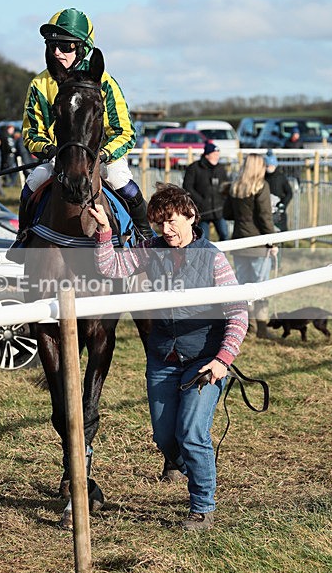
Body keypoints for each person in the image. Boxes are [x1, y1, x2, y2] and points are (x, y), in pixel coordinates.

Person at [88, 184, 248, 531]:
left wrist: (223, 359)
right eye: (160, 223)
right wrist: (104, 230)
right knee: (165, 438)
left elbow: (238, 311)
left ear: (190, 216)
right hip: (162, 358)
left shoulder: (213, 258)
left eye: (171, 221)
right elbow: (111, 267)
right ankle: (198, 465)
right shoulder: (151, 249)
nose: (166, 230)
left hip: (204, 362)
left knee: (191, 433)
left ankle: (202, 508)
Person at [11, 7, 152, 248]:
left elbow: (125, 132)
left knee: (125, 185)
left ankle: (147, 238)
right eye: (52, 46)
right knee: (32, 185)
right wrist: (51, 151)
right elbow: (31, 133)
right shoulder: (39, 84)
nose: (57, 52)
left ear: (82, 48)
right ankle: (23, 239)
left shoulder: (105, 82)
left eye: (66, 46)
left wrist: (104, 154)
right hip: (59, 156)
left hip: (102, 156)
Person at [223, 153, 277, 338]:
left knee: (243, 286)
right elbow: (265, 217)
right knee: (261, 286)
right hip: (258, 243)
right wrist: (273, 241)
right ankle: (261, 328)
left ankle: (247, 326)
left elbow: (227, 213)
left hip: (239, 241)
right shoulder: (262, 186)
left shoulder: (235, 187)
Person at [182, 141, 229, 240]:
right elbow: (187, 186)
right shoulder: (194, 168)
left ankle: (221, 255)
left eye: (218, 155)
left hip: (218, 209)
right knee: (204, 238)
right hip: (202, 210)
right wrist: (199, 200)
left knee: (224, 234)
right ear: (207, 155)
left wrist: (224, 200)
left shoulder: (220, 169)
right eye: (214, 154)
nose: (217, 157)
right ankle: (206, 255)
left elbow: (225, 186)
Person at [264, 150, 293, 232]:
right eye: (267, 166)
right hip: (266, 211)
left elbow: (289, 193)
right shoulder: (263, 177)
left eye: (270, 166)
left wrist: (283, 205)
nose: (268, 168)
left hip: (278, 211)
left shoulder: (281, 177)